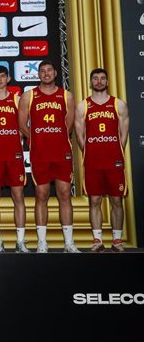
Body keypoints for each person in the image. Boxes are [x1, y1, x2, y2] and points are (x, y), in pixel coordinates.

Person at [18, 60, 79, 253]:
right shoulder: (29, 95)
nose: (46, 74)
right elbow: (21, 125)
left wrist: (57, 136)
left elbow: (69, 125)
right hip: (40, 153)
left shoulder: (66, 95)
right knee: (41, 195)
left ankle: (69, 243)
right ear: (38, 74)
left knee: (64, 195)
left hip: (61, 153)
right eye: (42, 71)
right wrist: (36, 139)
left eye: (49, 71)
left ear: (55, 73)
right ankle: (42, 242)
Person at [74, 68, 129, 252]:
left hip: (113, 161)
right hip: (93, 161)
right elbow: (80, 136)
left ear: (107, 82)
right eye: (95, 79)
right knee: (94, 200)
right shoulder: (83, 106)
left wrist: (113, 150)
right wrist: (90, 150)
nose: (99, 81)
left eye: (102, 78)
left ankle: (117, 240)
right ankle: (97, 240)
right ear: (90, 83)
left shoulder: (118, 104)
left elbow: (123, 134)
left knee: (116, 201)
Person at [0, 66, 29, 253]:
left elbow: (25, 126)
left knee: (18, 196)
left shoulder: (18, 100)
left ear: (9, 78)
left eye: (3, 76)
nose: (0, 80)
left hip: (14, 155)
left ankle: (20, 242)